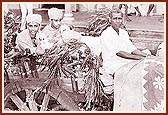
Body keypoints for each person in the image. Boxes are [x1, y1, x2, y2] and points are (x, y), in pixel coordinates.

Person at [99, 8, 147, 94]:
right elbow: (119, 52)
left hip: (126, 61)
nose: (117, 21)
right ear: (110, 20)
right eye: (115, 18)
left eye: (119, 18)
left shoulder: (123, 33)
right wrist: (139, 58)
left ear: (122, 20)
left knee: (145, 69)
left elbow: (132, 49)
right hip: (113, 64)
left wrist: (146, 55)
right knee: (137, 73)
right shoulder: (106, 34)